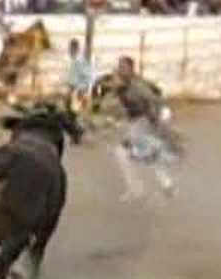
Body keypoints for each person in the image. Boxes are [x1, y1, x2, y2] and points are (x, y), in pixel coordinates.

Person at [110, 56, 186, 202]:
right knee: (149, 155)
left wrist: (156, 119)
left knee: (123, 152)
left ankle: (137, 189)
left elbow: (154, 99)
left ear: (131, 69)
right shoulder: (122, 85)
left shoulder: (137, 86)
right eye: (120, 67)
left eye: (124, 67)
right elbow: (116, 103)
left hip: (141, 124)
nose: (121, 69)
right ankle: (166, 185)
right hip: (137, 124)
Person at [65, 38, 94, 113]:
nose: (69, 51)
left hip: (80, 93)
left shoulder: (76, 62)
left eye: (71, 49)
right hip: (84, 92)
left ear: (76, 49)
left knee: (76, 112)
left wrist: (68, 97)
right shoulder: (82, 60)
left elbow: (72, 83)